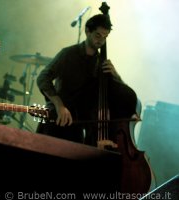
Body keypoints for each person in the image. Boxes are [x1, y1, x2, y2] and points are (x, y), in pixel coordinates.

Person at [36, 14, 138, 147]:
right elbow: (43, 78)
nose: (101, 41)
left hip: (79, 124)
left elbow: (122, 94)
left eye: (105, 37)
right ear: (87, 31)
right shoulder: (68, 54)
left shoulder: (101, 64)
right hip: (58, 116)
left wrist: (116, 75)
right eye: (98, 35)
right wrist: (59, 105)